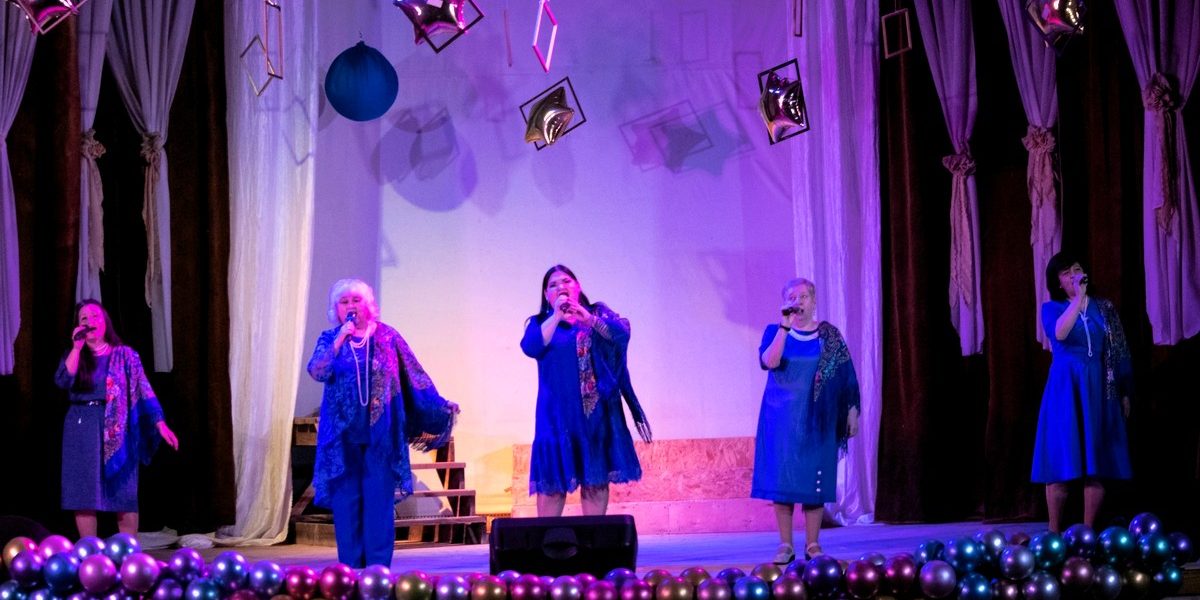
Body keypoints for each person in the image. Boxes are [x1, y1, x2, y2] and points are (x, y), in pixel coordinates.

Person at [307, 278, 458, 568]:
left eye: (356, 300)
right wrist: (340, 339)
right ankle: (350, 570)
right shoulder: (330, 338)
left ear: (369, 305)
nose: (351, 306)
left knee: (379, 504)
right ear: (336, 309)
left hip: (381, 435)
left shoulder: (388, 336)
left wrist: (440, 404)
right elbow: (317, 370)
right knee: (346, 504)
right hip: (342, 437)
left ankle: (378, 570)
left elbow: (414, 374)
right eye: (344, 302)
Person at [520, 265, 651, 517]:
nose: (561, 287)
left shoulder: (597, 313)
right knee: (552, 483)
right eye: (553, 285)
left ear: (577, 286)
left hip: (596, 414)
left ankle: (593, 540)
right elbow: (531, 347)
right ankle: (547, 541)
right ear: (546, 294)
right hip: (556, 415)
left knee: (595, 480)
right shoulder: (540, 323)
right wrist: (556, 316)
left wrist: (588, 319)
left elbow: (621, 334)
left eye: (566, 281)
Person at [751, 278, 860, 564]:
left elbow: (846, 376)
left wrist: (851, 411)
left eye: (803, 296)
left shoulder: (828, 336)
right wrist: (784, 328)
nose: (797, 301)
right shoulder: (775, 331)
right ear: (784, 303)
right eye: (791, 297)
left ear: (813, 301)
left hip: (818, 420)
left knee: (814, 482)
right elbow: (770, 362)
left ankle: (813, 544)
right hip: (781, 420)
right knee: (783, 482)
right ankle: (785, 545)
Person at [54, 300, 180, 538]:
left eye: (95, 316)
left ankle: (129, 551)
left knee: (124, 493)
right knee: (84, 494)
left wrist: (160, 423)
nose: (89, 321)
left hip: (119, 427)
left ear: (105, 322)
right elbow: (63, 381)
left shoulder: (125, 356)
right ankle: (90, 550)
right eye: (84, 318)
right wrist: (76, 348)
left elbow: (144, 389)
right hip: (81, 427)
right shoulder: (75, 355)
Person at [1032, 252, 1132, 532]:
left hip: (1098, 387)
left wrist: (1125, 390)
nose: (1073, 275)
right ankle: (1053, 531)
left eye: (1076, 269)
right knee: (1061, 459)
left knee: (1095, 463)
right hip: (1065, 389)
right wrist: (1077, 300)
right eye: (1066, 273)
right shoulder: (1051, 308)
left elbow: (1119, 350)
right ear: (1058, 282)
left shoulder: (1104, 308)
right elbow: (1060, 334)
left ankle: (1088, 532)